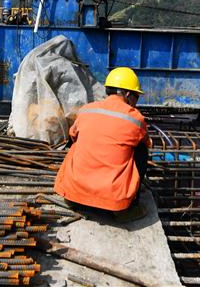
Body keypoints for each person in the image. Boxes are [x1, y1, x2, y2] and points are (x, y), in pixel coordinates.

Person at [54, 67, 151, 214]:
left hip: (73, 192)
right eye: (136, 97)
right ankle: (129, 207)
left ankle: (73, 196)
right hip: (114, 201)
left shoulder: (87, 109)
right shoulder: (135, 118)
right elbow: (148, 143)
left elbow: (72, 135)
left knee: (76, 142)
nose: (136, 102)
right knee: (141, 150)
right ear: (128, 94)